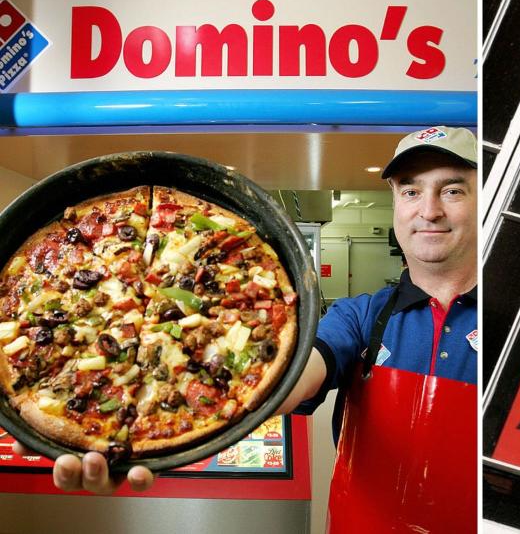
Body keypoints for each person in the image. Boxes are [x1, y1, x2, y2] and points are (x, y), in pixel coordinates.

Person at [15, 126, 479, 529]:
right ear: (396, 203)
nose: (429, 210)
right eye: (411, 191)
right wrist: (192, 381)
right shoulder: (362, 316)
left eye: (453, 190)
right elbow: (292, 377)